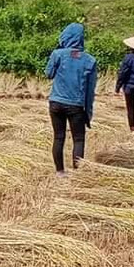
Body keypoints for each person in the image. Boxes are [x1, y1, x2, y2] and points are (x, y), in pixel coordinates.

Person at [44, 23, 97, 175]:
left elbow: (48, 74)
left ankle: (60, 172)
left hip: (56, 102)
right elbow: (90, 90)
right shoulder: (89, 60)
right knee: (78, 139)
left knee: (58, 137)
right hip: (76, 105)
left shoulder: (58, 54)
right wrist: (88, 112)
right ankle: (77, 172)